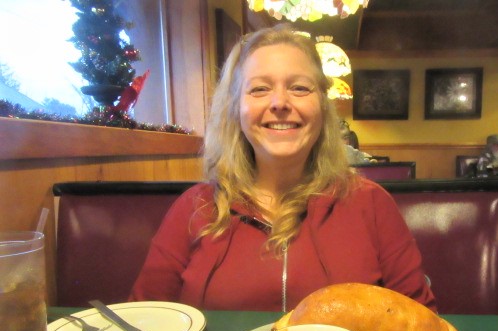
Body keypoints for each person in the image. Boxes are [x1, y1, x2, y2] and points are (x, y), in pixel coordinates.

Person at [130, 24, 436, 313]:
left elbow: (422, 324)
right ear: (236, 108)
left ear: (322, 107)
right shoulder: (192, 208)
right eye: (259, 89)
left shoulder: (373, 204)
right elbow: (146, 323)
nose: (279, 102)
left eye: (299, 88)